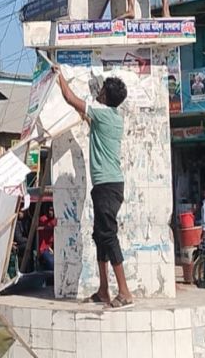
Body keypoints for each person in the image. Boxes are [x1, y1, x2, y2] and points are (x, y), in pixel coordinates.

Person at [55, 67, 133, 309]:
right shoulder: (113, 118)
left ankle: (125, 291)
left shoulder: (101, 112)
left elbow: (69, 98)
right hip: (109, 185)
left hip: (107, 186)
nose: (98, 93)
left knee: (108, 236)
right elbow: (91, 121)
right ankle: (103, 290)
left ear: (106, 97)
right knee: (100, 236)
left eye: (101, 91)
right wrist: (85, 115)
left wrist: (58, 75)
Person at [38, 207, 56, 271]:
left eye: (52, 210)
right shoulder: (43, 219)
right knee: (52, 264)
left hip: (54, 248)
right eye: (49, 210)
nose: (50, 212)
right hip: (44, 248)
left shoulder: (55, 220)